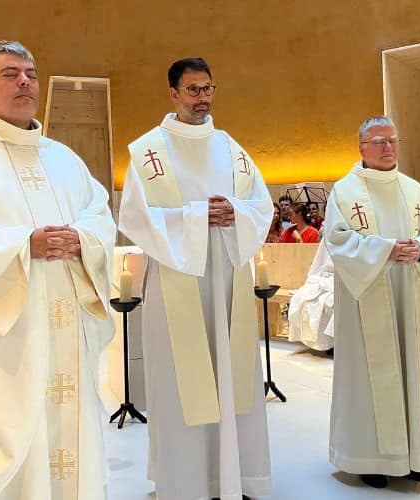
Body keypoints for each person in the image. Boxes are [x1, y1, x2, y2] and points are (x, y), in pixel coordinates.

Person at [0, 41, 116, 500]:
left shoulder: (63, 158)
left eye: (30, 73)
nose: (25, 82)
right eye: (10, 74)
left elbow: (100, 215)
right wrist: (20, 246)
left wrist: (83, 239)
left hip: (66, 332)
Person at [118, 57, 273, 499]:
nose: (202, 98)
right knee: (180, 386)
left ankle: (237, 476)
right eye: (193, 90)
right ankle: (187, 482)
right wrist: (198, 216)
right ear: (173, 94)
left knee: (232, 377)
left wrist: (235, 213)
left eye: (208, 88)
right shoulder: (148, 152)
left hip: (227, 279)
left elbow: (260, 206)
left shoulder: (231, 148)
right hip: (176, 283)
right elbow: (134, 217)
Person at [324, 116, 420, 488]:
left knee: (411, 366)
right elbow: (338, 240)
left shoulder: (413, 190)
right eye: (378, 141)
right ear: (361, 147)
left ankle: (413, 455)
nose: (388, 148)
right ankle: (372, 458)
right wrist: (385, 249)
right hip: (367, 296)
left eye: (392, 140)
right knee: (369, 373)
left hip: (407, 291)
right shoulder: (345, 192)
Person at [287, 240, 335, 351]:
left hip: (340, 279)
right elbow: (320, 263)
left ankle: (331, 342)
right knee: (302, 297)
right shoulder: (328, 236)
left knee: (329, 302)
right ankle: (321, 341)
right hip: (326, 277)